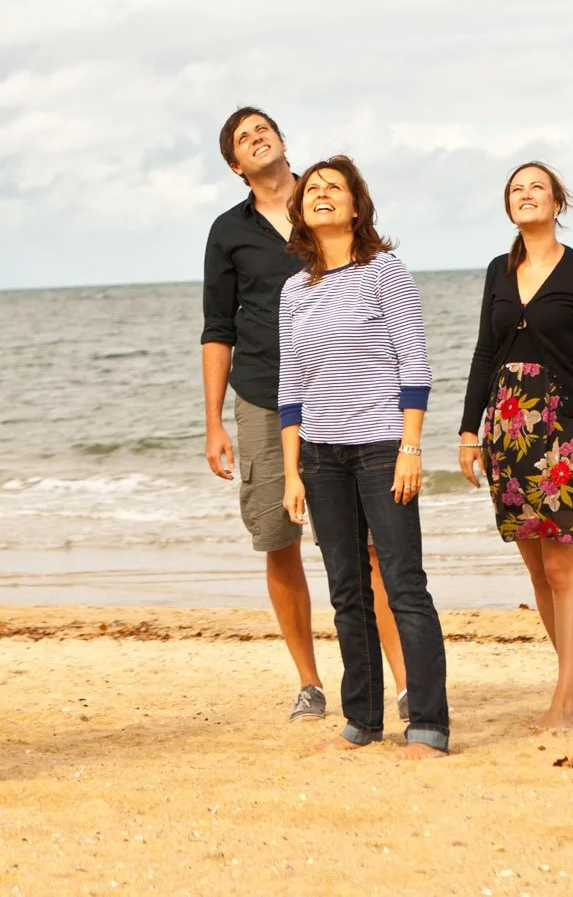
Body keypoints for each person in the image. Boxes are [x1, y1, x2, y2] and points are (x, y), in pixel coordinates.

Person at [201, 108, 406, 721]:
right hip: (264, 398)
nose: (256, 136)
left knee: (370, 548)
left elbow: (376, 283)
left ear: (283, 142)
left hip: (347, 396)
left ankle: (401, 682)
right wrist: (213, 419)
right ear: (236, 166)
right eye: (243, 138)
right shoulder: (227, 232)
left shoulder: (327, 203)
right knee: (279, 539)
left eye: (263, 127)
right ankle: (311, 683)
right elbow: (218, 327)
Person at [279, 156, 449, 757]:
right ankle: (362, 721)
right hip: (321, 459)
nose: (322, 194)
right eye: (313, 189)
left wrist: (410, 448)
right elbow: (291, 387)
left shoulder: (386, 273)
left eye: (335, 188)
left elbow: (415, 365)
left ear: (356, 206)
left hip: (381, 450)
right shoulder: (293, 290)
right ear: (301, 210)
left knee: (404, 585)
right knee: (346, 590)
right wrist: (292, 472)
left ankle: (428, 725)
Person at [457, 161, 573, 729]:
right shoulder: (497, 272)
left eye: (537, 187)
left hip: (566, 435)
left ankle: (563, 702)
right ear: (509, 207)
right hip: (507, 435)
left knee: (564, 572)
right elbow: (485, 354)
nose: (526, 195)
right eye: (516, 189)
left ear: (558, 203)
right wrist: (468, 431)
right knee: (536, 572)